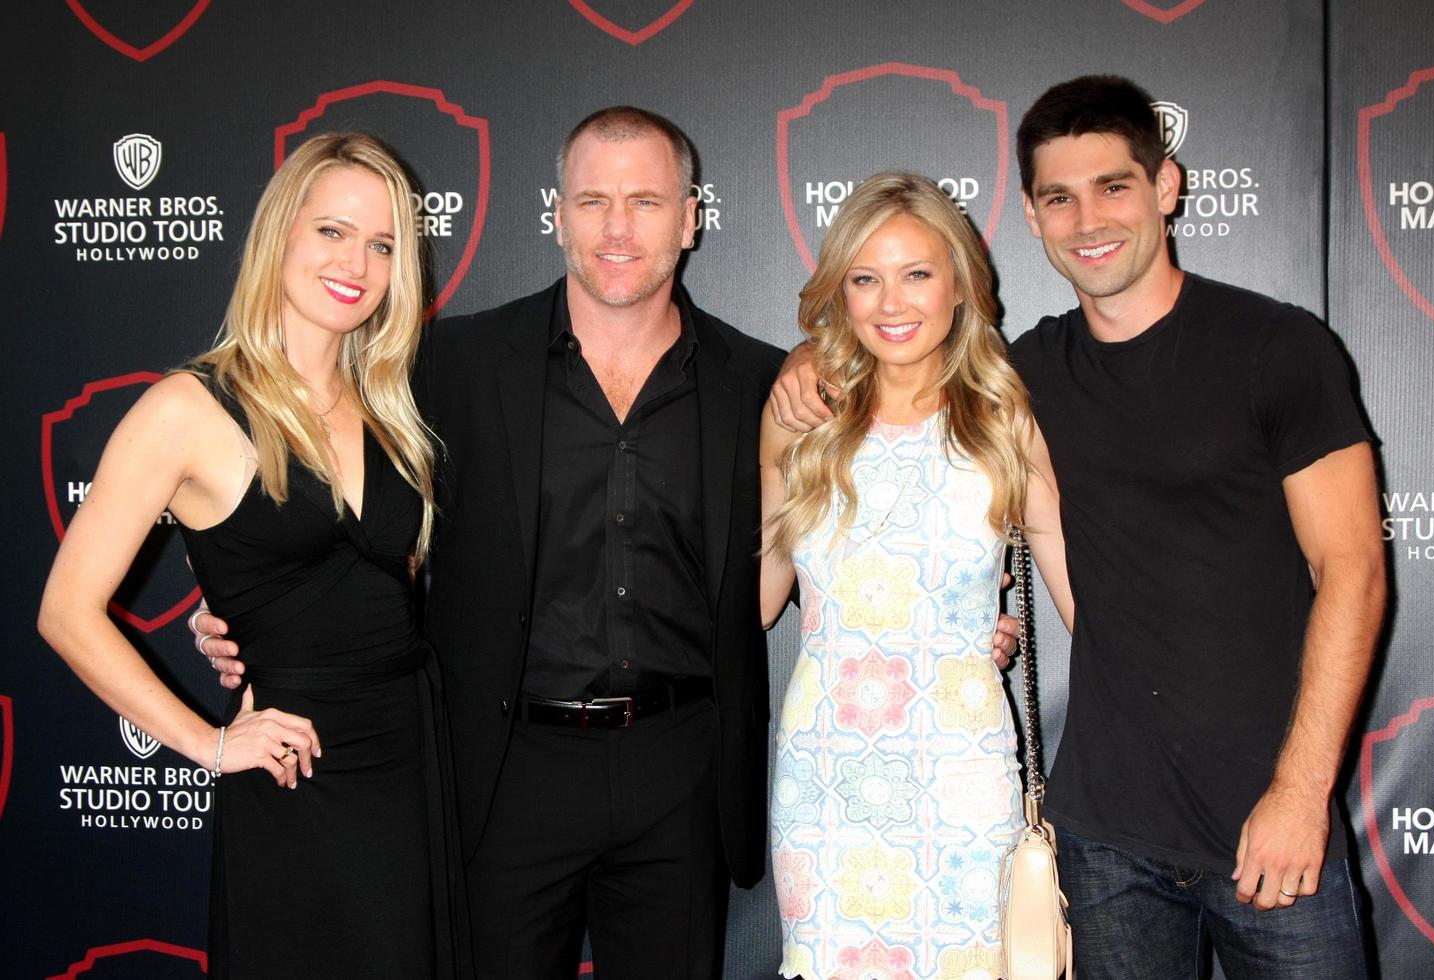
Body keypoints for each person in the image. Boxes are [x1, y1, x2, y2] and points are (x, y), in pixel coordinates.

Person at [195, 108, 1019, 978]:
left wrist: (961, 630)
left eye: (645, 202)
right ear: (557, 215)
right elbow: (330, 507)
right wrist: (246, 610)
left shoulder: (763, 384)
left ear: (691, 218)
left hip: (680, 777)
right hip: (502, 774)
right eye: (593, 201)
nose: (618, 229)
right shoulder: (449, 368)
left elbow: (870, 531)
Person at [773, 76, 1386, 979]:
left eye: (1114, 186)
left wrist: (1301, 792)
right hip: (1104, 838)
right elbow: (899, 397)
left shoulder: (1276, 348)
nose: (1087, 219)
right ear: (1031, 213)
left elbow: (1355, 573)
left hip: (1267, 817)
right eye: (1059, 197)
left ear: (1166, 187)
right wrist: (808, 358)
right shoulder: (1021, 383)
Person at [39, 132, 461, 978]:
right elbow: (65, 613)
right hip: (294, 769)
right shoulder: (187, 408)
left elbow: (379, 585)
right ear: (280, 235)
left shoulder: (393, 409)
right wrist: (208, 742)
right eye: (332, 231)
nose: (358, 262)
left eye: (382, 243)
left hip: (413, 753)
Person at [759, 172, 1071, 980]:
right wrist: (768, 462)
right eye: (864, 278)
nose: (891, 303)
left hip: (961, 781)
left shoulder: (1005, 419)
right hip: (826, 781)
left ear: (961, 282)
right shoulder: (802, 416)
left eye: (916, 274)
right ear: (841, 291)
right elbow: (759, 602)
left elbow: (1083, 604)